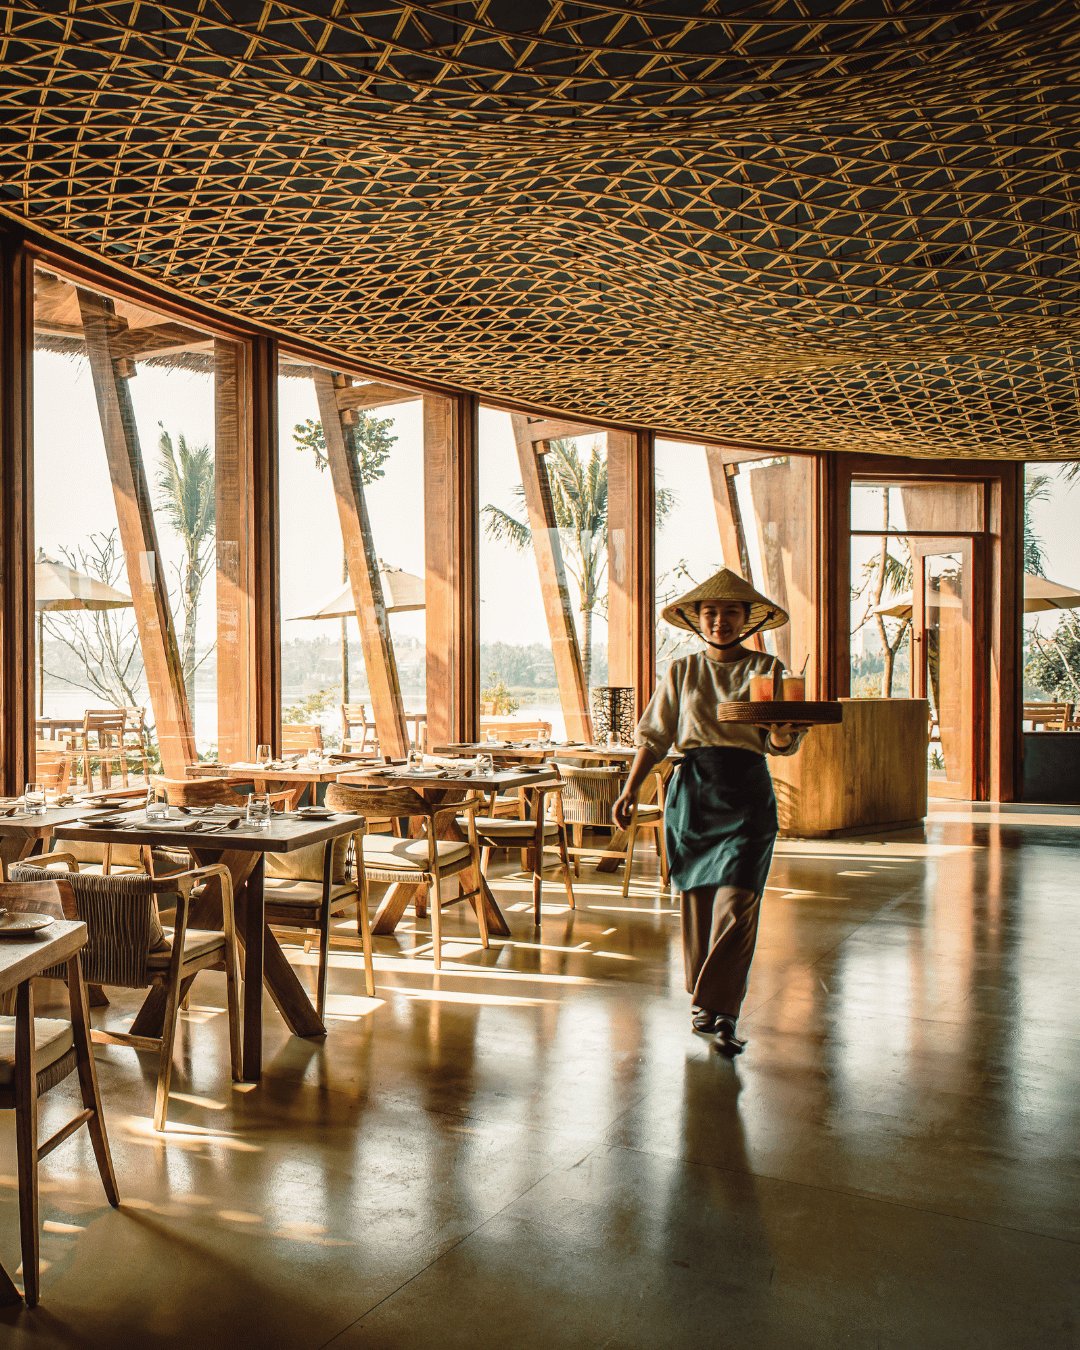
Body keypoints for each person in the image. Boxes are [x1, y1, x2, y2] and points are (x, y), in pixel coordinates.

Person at [612, 568, 808, 1057]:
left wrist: (783, 733)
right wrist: (630, 789)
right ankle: (705, 1007)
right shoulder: (681, 671)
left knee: (738, 905)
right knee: (698, 906)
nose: (720, 621)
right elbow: (655, 736)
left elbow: (778, 742)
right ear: (697, 620)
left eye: (730, 612)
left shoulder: (768, 669)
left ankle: (721, 1009)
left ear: (747, 619)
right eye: (711, 613)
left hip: (747, 794)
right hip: (693, 794)